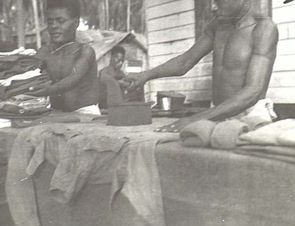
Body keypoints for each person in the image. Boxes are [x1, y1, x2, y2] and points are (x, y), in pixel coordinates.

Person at [126, 0, 279, 132]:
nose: (213, 7)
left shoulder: (263, 28)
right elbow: (186, 61)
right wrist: (145, 75)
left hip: (250, 115)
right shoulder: (218, 25)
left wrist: (196, 119)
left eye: (219, 1)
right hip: (217, 114)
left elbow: (254, 90)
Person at [25, 0, 100, 114]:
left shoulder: (85, 51)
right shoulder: (44, 52)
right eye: (50, 22)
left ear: (76, 23)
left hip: (86, 113)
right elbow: (26, 73)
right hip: (56, 113)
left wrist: (41, 91)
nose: (54, 26)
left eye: (60, 21)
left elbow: (71, 80)